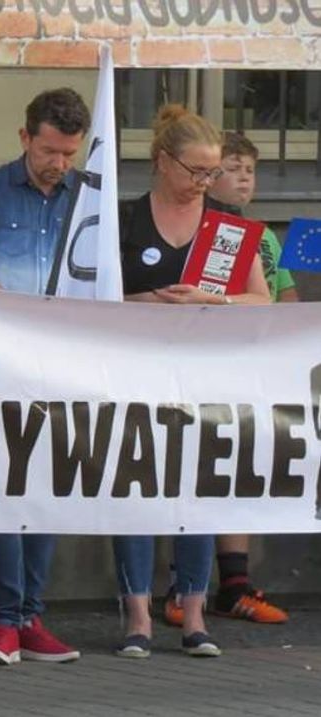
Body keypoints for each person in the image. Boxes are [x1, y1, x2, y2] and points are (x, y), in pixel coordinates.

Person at [114, 106, 271, 660]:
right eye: (193, 171)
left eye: (210, 174)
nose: (202, 184)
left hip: (205, 376)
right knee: (136, 490)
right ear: (162, 161)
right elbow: (94, 298)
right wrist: (140, 302)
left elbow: (262, 300)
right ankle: (137, 616)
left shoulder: (228, 223)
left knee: (198, 492)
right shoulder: (125, 218)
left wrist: (213, 299)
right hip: (136, 371)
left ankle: (195, 614)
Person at [0, 88, 91, 666]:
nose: (58, 164)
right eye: (48, 150)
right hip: (1, 357)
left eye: (69, 153)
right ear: (24, 138)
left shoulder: (89, 198)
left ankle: (29, 615)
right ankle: (4, 619)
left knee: (48, 488)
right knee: (5, 487)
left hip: (65, 362)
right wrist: (29, 315)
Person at [153, 130, 291, 630]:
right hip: (162, 365)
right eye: (212, 170)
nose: (214, 181)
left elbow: (272, 298)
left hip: (233, 363)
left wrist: (216, 302)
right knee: (172, 471)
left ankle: (233, 582)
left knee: (228, 466)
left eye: (220, 171)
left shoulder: (238, 230)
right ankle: (178, 587)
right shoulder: (144, 219)